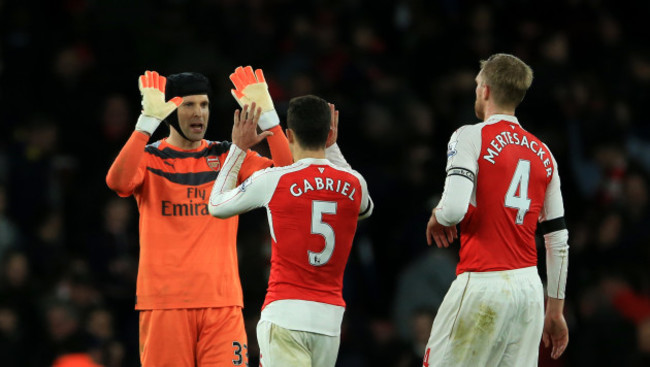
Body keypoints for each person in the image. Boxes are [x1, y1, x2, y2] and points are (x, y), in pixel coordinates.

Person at [105, 68, 292, 366]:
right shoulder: (151, 158)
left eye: (203, 104)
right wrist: (145, 125)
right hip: (165, 304)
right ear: (168, 112)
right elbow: (117, 182)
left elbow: (289, 177)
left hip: (223, 305)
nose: (198, 113)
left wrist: (270, 119)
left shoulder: (229, 156)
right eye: (188, 105)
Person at [423, 53, 569, 366]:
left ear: (485, 90)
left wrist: (438, 215)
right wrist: (554, 310)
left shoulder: (470, 136)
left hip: (484, 284)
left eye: (477, 85)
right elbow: (558, 240)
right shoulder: (545, 154)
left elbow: (452, 210)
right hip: (529, 293)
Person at [208, 95, 373, 367]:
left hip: (284, 314)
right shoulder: (355, 183)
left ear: (289, 135)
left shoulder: (275, 180)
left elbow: (216, 205)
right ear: (330, 132)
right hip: (329, 322)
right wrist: (332, 149)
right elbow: (365, 209)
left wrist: (238, 148)